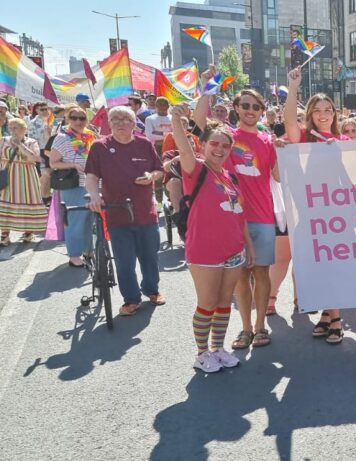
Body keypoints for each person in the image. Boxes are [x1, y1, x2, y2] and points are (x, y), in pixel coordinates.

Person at [195, 65, 279, 349]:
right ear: (236, 107)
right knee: (241, 276)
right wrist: (208, 85)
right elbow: (198, 120)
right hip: (233, 219)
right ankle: (245, 329)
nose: (250, 110)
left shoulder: (269, 140)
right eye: (245, 105)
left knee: (262, 272)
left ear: (261, 110)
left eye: (256, 106)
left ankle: (260, 327)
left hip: (263, 216)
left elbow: (279, 175)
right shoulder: (225, 136)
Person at [169, 105, 251, 373]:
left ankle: (218, 348)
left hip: (234, 250)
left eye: (225, 146)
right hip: (204, 251)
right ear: (203, 145)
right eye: (214, 143)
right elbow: (183, 150)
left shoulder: (230, 177)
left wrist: (248, 247)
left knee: (224, 303)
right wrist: (176, 120)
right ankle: (202, 353)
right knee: (207, 303)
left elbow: (241, 217)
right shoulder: (197, 170)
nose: (219, 149)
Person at [280, 67, 350, 343]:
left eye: (328, 110)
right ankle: (327, 314)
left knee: (334, 263)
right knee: (318, 263)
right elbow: (288, 124)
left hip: (337, 211)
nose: (323, 114)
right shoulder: (305, 139)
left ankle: (334, 317)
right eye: (318, 110)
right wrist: (293, 87)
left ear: (334, 115)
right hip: (311, 210)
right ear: (310, 114)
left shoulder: (343, 141)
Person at [83, 106, 166, 315]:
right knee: (124, 260)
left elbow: (159, 170)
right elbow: (91, 177)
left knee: (150, 256)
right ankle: (131, 299)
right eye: (116, 119)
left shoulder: (144, 144)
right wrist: (94, 196)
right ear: (109, 123)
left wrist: (151, 176)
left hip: (146, 212)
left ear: (133, 123)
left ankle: (151, 290)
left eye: (126, 119)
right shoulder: (100, 147)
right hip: (116, 212)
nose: (121, 123)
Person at [48, 105, 97, 267]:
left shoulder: (91, 135)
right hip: (73, 184)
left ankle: (88, 250)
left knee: (91, 219)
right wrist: (73, 165)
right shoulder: (62, 137)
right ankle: (74, 255)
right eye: (74, 118)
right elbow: (53, 163)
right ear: (67, 119)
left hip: (93, 182)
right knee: (76, 219)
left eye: (82, 118)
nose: (78, 121)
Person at [0, 119, 47, 244]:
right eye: (11, 127)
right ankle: (4, 235)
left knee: (28, 200)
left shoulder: (31, 142)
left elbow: (35, 158)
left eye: (16, 127)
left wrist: (20, 145)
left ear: (24, 129)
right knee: (5, 202)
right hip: (8, 174)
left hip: (27, 176)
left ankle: (28, 232)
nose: (13, 130)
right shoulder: (3, 140)